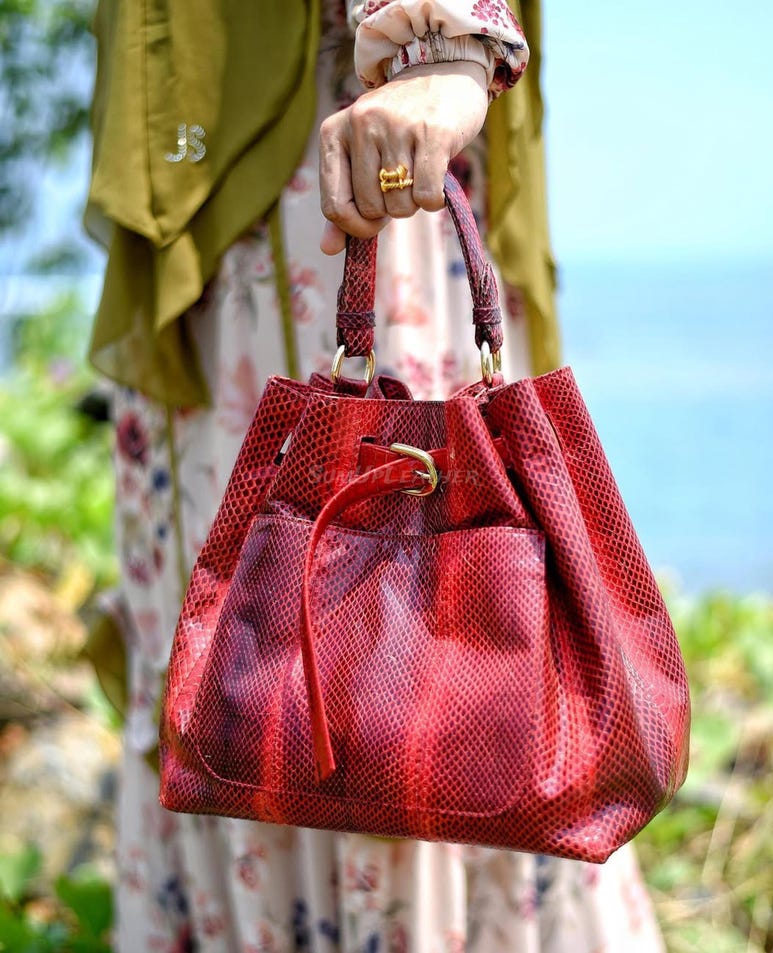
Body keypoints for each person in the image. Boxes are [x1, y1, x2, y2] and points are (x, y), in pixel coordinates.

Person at [84, 1, 666, 950]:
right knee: (268, 691)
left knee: (415, 697)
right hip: (219, 203)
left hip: (345, 169)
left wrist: (442, 55)